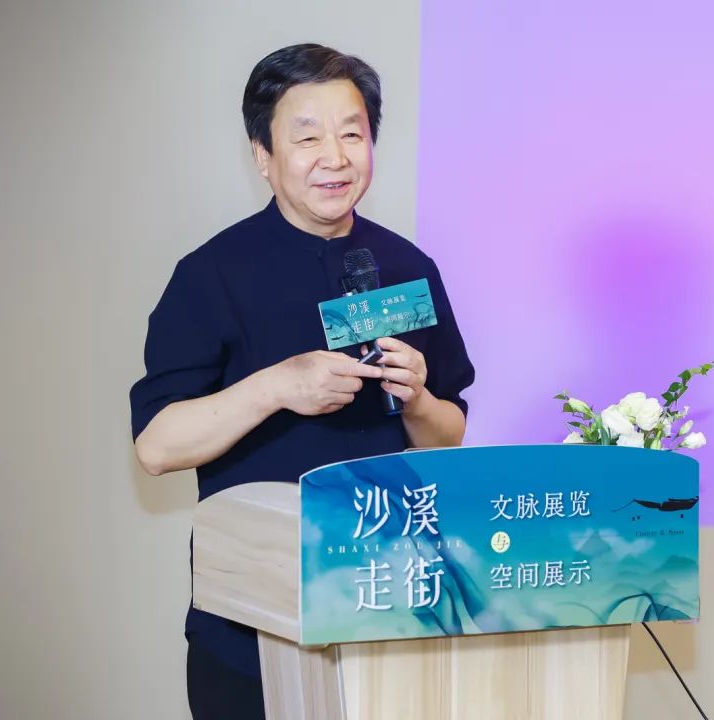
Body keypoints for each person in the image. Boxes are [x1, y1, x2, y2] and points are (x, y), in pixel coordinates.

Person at [129, 43, 474, 719]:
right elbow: (156, 447)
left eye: (352, 134)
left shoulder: (409, 267)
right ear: (263, 155)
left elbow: (448, 436)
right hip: (251, 622)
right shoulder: (212, 274)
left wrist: (418, 399)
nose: (335, 157)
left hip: (385, 606)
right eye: (308, 137)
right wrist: (277, 386)